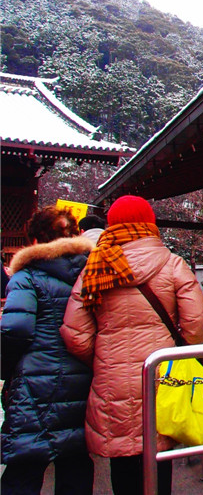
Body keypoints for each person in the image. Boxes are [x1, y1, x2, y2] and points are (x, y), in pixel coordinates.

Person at [61, 195, 203, 495]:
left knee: (122, 457)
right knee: (158, 452)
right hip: (162, 376)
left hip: (111, 380)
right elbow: (196, 322)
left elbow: (75, 333)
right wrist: (181, 352)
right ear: (150, 223)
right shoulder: (171, 263)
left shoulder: (95, 267)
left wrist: (104, 358)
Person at [1, 206, 94, 495]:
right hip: (83, 378)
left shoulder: (27, 277)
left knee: (25, 463)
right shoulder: (91, 274)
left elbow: (15, 329)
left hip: (34, 382)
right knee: (75, 462)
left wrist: (5, 371)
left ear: (35, 239)